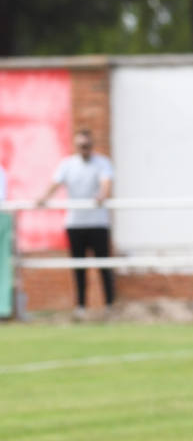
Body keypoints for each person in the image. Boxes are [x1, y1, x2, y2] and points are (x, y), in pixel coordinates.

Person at [37, 128, 117, 316]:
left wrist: (102, 196)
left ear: (92, 145)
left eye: (87, 146)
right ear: (75, 146)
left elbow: (106, 184)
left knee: (104, 265)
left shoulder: (102, 163)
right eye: (81, 146)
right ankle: (81, 307)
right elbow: (55, 184)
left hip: (98, 223)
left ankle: (109, 306)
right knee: (78, 266)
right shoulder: (67, 165)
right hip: (75, 223)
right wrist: (42, 199)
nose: (84, 149)